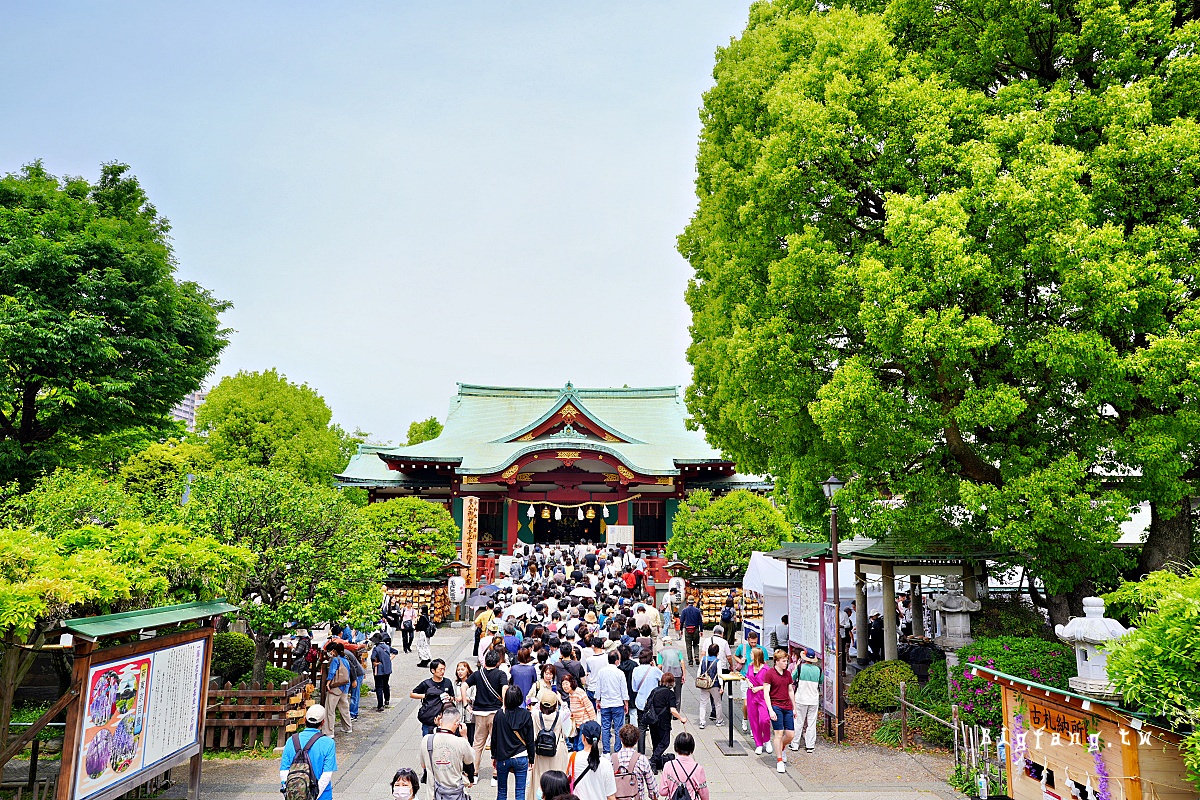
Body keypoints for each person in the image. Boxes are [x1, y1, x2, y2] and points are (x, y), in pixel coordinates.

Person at [280, 705, 337, 800]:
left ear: (305, 720)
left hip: (296, 795)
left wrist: (291, 792)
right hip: (322, 796)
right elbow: (327, 774)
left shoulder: (291, 740)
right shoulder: (328, 743)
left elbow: (284, 771)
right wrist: (313, 796)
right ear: (322, 722)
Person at [530, 690, 575, 800]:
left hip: (540, 751)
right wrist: (561, 701)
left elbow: (535, 708)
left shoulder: (535, 715)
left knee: (540, 778)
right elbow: (569, 732)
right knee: (558, 779)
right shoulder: (562, 715)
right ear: (555, 705)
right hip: (558, 750)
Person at [492, 686, 536, 800]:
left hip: (503, 757)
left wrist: (494, 756)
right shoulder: (526, 714)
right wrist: (531, 758)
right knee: (520, 791)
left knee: (501, 791)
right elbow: (530, 739)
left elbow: (494, 738)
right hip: (521, 756)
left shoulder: (499, 714)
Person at [419, 707, 475, 795]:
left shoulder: (427, 740)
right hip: (455, 793)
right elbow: (470, 759)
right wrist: (465, 736)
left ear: (441, 721)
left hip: (433, 793)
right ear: (457, 723)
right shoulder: (461, 742)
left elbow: (423, 765)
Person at [643, 675, 687, 773]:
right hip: (663, 721)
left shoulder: (654, 690)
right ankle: (653, 761)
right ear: (671, 683)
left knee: (656, 742)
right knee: (664, 742)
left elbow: (647, 702)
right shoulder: (670, 694)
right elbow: (673, 710)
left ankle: (656, 765)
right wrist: (681, 718)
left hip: (653, 720)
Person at [763, 649, 797, 773]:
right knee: (778, 733)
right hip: (775, 704)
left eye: (786, 661)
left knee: (790, 735)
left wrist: (794, 707)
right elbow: (766, 692)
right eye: (783, 661)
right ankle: (779, 760)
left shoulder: (787, 674)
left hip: (787, 706)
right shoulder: (770, 674)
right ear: (776, 661)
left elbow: (790, 690)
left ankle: (781, 747)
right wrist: (770, 710)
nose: (786, 663)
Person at [590, 650, 630, 753]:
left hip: (605, 704)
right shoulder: (620, 673)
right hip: (617, 704)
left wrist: (597, 700)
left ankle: (606, 751)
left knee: (605, 728)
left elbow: (598, 687)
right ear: (617, 661)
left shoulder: (601, 672)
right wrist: (626, 703)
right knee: (618, 729)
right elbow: (624, 690)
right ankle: (617, 750)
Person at [568, 721, 617, 800]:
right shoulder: (606, 763)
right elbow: (610, 796)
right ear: (600, 737)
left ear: (582, 737)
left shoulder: (571, 758)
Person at [656, 733, 707, 800]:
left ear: (676, 747)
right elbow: (704, 794)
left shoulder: (668, 765)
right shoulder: (698, 768)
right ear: (692, 748)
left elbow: (663, 792)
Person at [731, 630, 764, 734]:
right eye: (751, 642)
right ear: (748, 640)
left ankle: (753, 726)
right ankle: (745, 719)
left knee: (756, 705)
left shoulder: (761, 649)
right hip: (745, 678)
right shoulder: (743, 647)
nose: (753, 644)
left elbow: (765, 662)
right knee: (746, 703)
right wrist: (740, 661)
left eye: (755, 642)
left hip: (757, 679)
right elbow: (735, 655)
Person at [611, 725, 656, 800]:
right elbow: (651, 783)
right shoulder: (641, 759)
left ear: (621, 738)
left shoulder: (613, 759)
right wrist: (653, 796)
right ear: (636, 740)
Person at [743, 647, 773, 755]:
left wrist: (759, 687)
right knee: (754, 720)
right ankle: (758, 743)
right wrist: (748, 682)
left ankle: (767, 740)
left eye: (752, 653)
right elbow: (747, 676)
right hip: (751, 695)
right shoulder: (750, 666)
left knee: (764, 719)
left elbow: (769, 684)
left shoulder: (766, 669)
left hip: (762, 696)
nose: (750, 655)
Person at [630, 651, 662, 750]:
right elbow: (664, 679)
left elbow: (634, 688)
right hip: (653, 703)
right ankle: (656, 752)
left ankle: (641, 752)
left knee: (641, 728)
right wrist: (655, 666)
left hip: (640, 702)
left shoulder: (636, 670)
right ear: (651, 659)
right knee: (654, 729)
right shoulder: (655, 670)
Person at [453, 662, 477, 785]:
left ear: (468, 670)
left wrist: (464, 698)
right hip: (458, 718)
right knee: (458, 743)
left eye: (462, 669)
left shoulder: (472, 684)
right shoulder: (456, 684)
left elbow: (474, 698)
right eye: (458, 669)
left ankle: (470, 769)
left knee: (469, 743)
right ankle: (460, 768)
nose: (460, 671)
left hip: (469, 717)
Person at [793, 648, 821, 754]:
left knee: (798, 721)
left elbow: (792, 678)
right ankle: (810, 745)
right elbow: (821, 681)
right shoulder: (818, 670)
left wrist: (796, 666)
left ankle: (795, 744)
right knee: (811, 722)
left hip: (801, 698)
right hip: (813, 699)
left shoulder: (800, 668)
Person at [322, 643, 353, 736]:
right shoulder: (346, 660)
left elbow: (332, 672)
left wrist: (328, 684)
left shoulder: (335, 660)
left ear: (334, 651)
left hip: (335, 687)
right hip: (345, 687)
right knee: (344, 709)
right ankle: (348, 727)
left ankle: (329, 732)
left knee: (329, 710)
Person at [561, 673, 596, 752]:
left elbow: (589, 706)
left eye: (566, 684)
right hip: (577, 723)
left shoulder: (579, 692)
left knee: (581, 746)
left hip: (584, 722)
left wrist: (592, 721)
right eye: (563, 684)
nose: (565, 686)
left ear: (571, 683)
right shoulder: (571, 694)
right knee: (576, 746)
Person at [694, 645, 723, 729]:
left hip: (704, 684)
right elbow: (720, 674)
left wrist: (699, 680)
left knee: (703, 703)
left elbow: (699, 671)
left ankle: (702, 721)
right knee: (717, 703)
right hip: (714, 685)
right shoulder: (718, 661)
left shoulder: (703, 659)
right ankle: (719, 720)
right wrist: (721, 686)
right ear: (717, 652)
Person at [371, 634, 397, 712]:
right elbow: (395, 652)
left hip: (379, 669)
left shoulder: (376, 649)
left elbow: (373, 657)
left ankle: (380, 705)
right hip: (387, 669)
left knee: (379, 687)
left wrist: (375, 663)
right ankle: (387, 700)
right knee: (386, 684)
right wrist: (389, 659)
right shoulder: (386, 646)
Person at [654, 642, 685, 709]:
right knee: (678, 694)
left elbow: (660, 665)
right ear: (671, 643)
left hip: (666, 675)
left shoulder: (660, 651)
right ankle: (676, 711)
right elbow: (682, 662)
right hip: (677, 674)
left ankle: (667, 708)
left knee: (665, 691)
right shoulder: (678, 651)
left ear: (663, 643)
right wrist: (684, 675)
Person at [678, 600, 702, 665]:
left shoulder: (684, 610)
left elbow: (681, 621)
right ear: (693, 602)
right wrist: (701, 630)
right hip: (696, 629)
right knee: (696, 644)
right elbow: (700, 621)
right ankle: (696, 655)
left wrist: (681, 630)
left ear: (688, 602)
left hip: (688, 629)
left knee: (688, 645)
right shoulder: (697, 610)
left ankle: (690, 661)